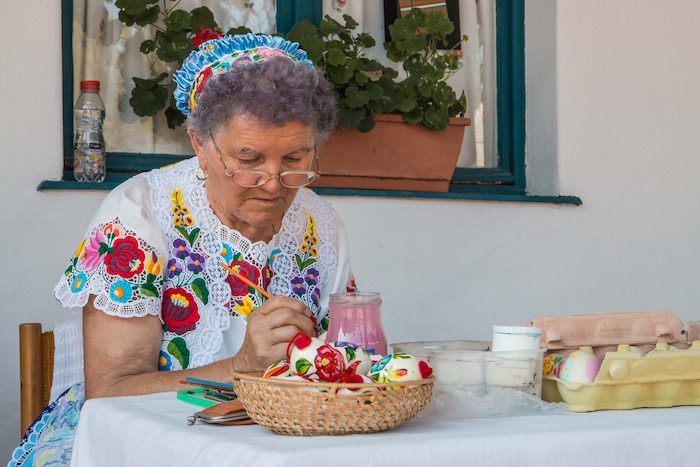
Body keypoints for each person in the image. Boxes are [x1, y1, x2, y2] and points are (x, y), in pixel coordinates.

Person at [10, 34, 356, 466]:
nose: (273, 182)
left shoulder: (320, 224)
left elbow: (345, 359)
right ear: (200, 144)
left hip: (274, 441)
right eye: (249, 159)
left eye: (294, 159)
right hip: (139, 440)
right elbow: (111, 392)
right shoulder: (139, 216)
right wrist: (242, 365)